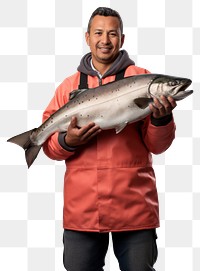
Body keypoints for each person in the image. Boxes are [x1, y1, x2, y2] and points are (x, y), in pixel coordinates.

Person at [42, 7, 176, 271]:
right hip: (82, 210)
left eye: (112, 33)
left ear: (122, 39)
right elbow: (49, 147)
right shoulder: (68, 86)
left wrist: (161, 119)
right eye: (99, 33)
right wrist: (68, 141)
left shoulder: (142, 78)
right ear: (87, 37)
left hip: (135, 206)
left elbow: (158, 146)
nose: (105, 40)